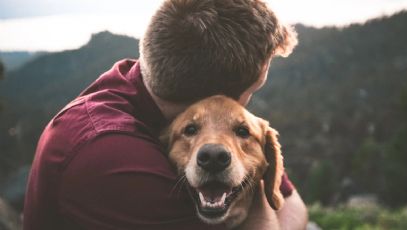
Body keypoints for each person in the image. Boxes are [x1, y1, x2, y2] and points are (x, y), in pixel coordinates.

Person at [23, 0, 308, 229]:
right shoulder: (111, 156)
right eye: (254, 88)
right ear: (218, 96)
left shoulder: (151, 82)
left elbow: (292, 203)